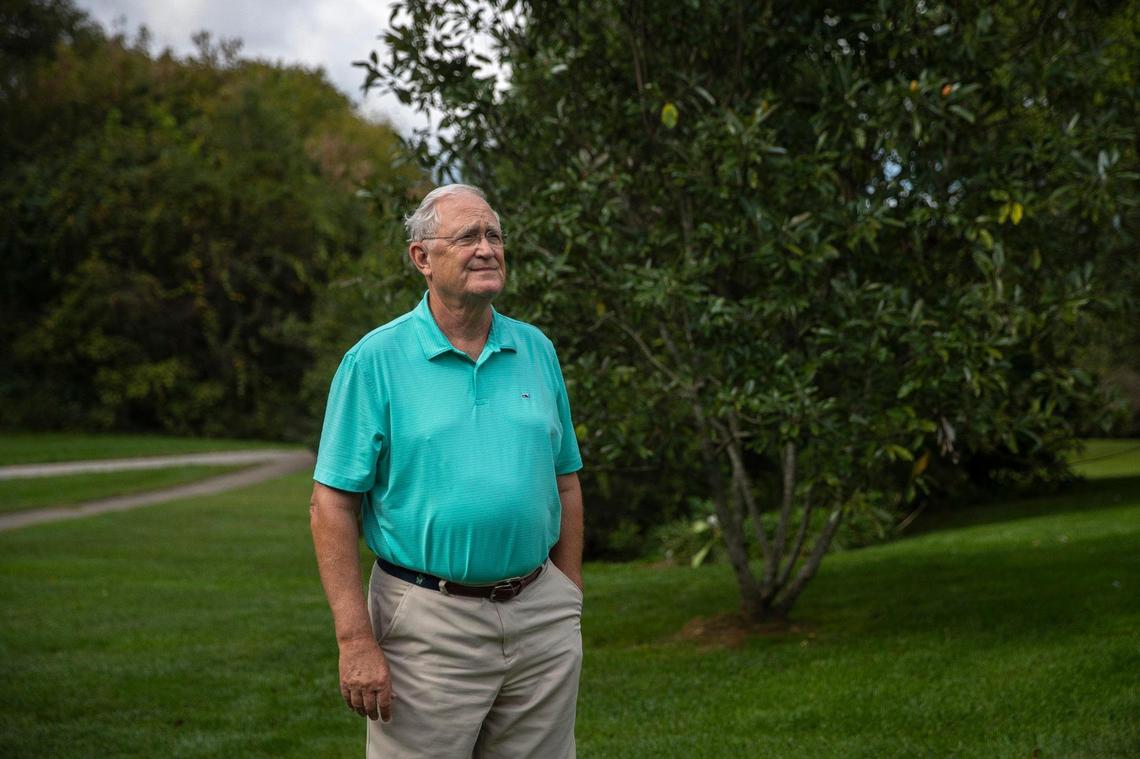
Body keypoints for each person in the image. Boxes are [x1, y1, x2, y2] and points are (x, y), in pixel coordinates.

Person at [309, 183, 585, 758]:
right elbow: (331, 505)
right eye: (467, 236)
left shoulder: (537, 350)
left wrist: (567, 595)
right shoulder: (375, 361)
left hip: (540, 618)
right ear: (422, 259)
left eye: (494, 235)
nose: (487, 248)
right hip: (428, 623)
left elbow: (565, 480)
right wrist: (355, 638)